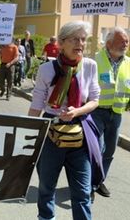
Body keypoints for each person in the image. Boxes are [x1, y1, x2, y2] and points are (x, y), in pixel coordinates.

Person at [28, 21, 103, 220]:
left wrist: (77, 111)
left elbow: (95, 100)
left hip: (80, 130)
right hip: (51, 131)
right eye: (75, 39)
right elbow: (36, 105)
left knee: (82, 191)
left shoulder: (89, 66)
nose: (80, 44)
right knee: (46, 187)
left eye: (83, 39)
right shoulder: (46, 69)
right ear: (61, 42)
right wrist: (26, 134)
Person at [91, 27, 130, 199]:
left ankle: (98, 181)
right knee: (97, 148)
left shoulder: (129, 63)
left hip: (117, 113)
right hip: (96, 112)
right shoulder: (94, 61)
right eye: (122, 40)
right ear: (109, 43)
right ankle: (89, 185)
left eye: (127, 41)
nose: (126, 44)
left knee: (109, 151)